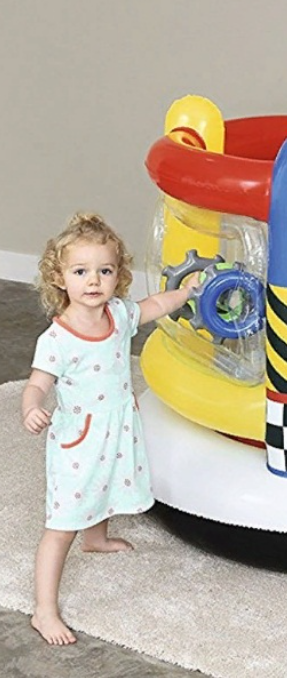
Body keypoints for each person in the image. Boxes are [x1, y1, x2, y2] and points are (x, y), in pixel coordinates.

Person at [22, 212, 200, 645]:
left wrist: (185, 293)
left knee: (105, 482)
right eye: (80, 271)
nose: (93, 281)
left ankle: (96, 538)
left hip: (116, 428)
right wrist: (31, 407)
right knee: (63, 521)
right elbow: (37, 383)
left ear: (118, 275)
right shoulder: (57, 339)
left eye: (105, 271)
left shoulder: (118, 314)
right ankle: (44, 610)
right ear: (60, 278)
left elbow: (153, 307)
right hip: (79, 439)